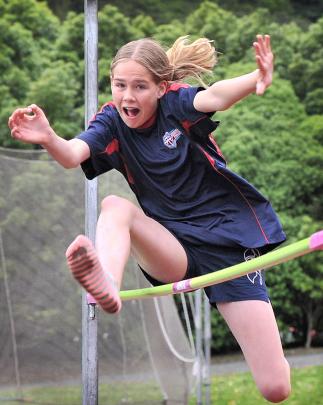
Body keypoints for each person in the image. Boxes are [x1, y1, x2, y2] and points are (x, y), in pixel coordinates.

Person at [9, 34, 291, 402]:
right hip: (172, 247)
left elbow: (217, 95)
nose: (128, 96)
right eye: (120, 85)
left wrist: (256, 78)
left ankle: (280, 364)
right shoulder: (110, 121)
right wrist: (48, 137)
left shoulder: (177, 104)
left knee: (275, 388)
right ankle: (107, 283)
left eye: (140, 86)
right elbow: (71, 154)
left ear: (161, 87)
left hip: (228, 244)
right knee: (116, 205)